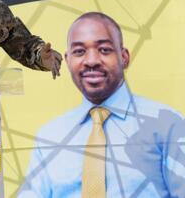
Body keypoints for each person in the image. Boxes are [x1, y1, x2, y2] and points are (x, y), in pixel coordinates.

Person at [18, 12, 185, 197]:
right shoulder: (50, 136)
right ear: (68, 59)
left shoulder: (168, 125)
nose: (91, 61)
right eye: (79, 51)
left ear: (124, 57)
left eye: (104, 49)